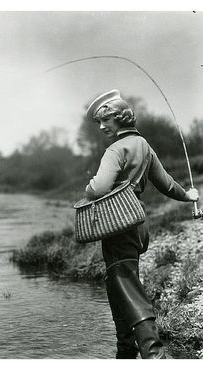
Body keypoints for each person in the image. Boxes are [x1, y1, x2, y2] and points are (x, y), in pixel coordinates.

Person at [85, 89, 199, 359]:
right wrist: (188, 195)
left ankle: (154, 355)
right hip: (138, 224)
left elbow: (99, 187)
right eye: (100, 122)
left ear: (121, 118)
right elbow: (167, 184)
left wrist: (89, 188)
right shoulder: (144, 146)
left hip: (118, 225)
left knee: (127, 286)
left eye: (106, 120)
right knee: (117, 284)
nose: (102, 127)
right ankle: (125, 352)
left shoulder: (115, 150)